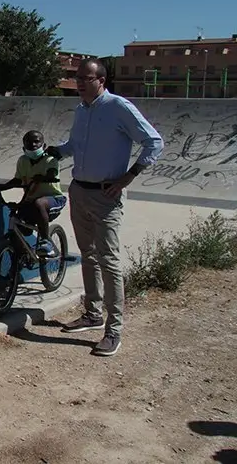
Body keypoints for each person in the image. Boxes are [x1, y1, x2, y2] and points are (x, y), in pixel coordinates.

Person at [46, 58, 164, 357]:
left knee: (109, 260)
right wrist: (55, 152)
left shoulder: (118, 107)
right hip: (80, 191)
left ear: (102, 80)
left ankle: (114, 330)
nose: (80, 83)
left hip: (106, 196)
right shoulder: (82, 110)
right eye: (78, 78)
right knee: (88, 256)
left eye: (87, 78)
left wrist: (129, 176)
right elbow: (74, 145)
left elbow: (154, 142)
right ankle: (92, 314)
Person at [0, 129, 66, 258]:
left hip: (54, 200)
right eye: (29, 143)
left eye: (36, 142)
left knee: (40, 203)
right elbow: (18, 180)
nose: (33, 145)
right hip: (30, 200)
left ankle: (46, 241)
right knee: (18, 225)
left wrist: (45, 177)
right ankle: (22, 256)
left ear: (44, 146)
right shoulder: (23, 161)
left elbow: (52, 172)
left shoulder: (51, 160)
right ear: (24, 148)